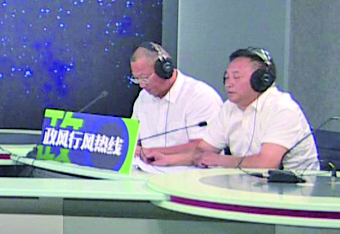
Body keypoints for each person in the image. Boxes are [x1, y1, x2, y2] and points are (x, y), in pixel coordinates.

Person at [144, 48, 318, 171]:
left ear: (261, 80)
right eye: (226, 77)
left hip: (294, 192)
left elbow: (266, 163)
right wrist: (169, 160)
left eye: (236, 77)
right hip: (250, 186)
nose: (229, 83)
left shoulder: (282, 109)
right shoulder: (230, 108)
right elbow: (203, 151)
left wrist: (219, 160)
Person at [128, 42, 221, 154]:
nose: (142, 85)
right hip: (145, 165)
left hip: (188, 166)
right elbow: (132, 140)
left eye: (145, 78)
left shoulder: (200, 96)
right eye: (137, 79)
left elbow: (203, 147)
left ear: (164, 70)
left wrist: (150, 152)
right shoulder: (143, 97)